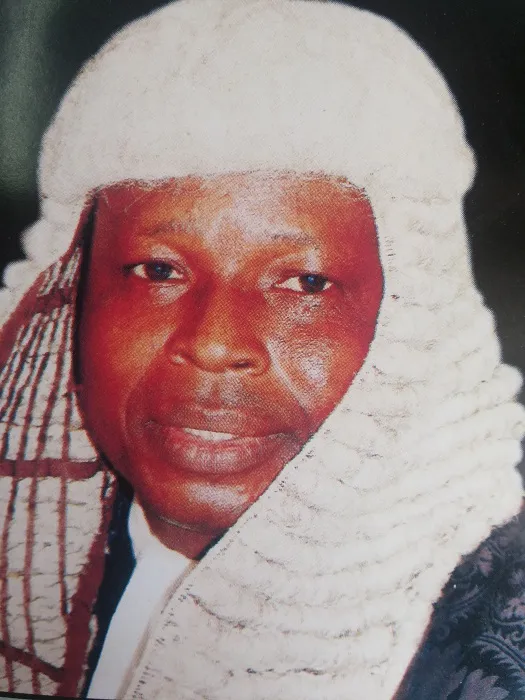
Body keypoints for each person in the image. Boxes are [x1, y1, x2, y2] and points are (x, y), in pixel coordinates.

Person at [0, 0, 524, 698]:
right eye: (158, 270)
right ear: (72, 295)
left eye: (305, 283)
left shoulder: (492, 641)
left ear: (408, 324)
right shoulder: (35, 572)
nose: (214, 344)